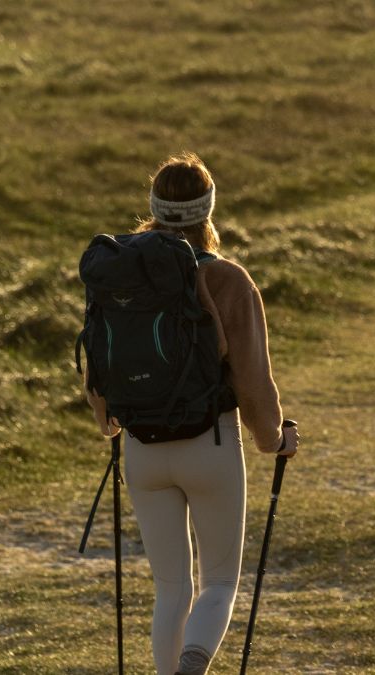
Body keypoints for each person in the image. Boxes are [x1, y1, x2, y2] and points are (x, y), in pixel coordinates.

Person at [83, 152, 299, 675]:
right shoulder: (227, 278)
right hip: (211, 445)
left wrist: (106, 420)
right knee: (219, 583)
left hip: (140, 447)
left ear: (153, 206)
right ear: (208, 210)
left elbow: (99, 358)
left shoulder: (120, 273)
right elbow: (252, 380)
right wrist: (274, 440)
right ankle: (193, 667)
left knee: (171, 588)